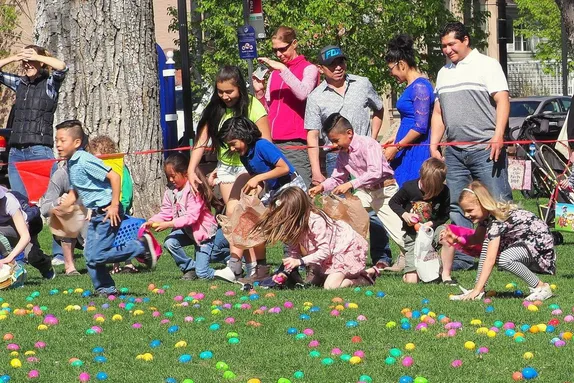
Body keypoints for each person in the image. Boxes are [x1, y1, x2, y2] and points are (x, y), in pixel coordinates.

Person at [430, 22, 513, 271]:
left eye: (451, 44)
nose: (447, 50)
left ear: (465, 40)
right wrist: (435, 143)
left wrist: (498, 135)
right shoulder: (444, 72)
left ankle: (509, 254)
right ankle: (465, 257)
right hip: (454, 151)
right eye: (443, 46)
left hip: (486, 148)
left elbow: (502, 100)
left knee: (498, 201)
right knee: (458, 204)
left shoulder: (487, 65)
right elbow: (438, 111)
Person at [304, 45, 393, 270]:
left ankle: (382, 256)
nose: (338, 67)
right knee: (344, 213)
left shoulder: (362, 83)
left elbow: (379, 109)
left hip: (365, 157)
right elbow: (312, 134)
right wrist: (316, 171)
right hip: (338, 158)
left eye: (341, 62)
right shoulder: (315, 97)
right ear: (321, 68)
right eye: (332, 64)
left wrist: (371, 138)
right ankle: (348, 255)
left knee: (374, 209)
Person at [54, 120, 157, 297]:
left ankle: (141, 247)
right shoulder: (71, 163)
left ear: (77, 142)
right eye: (56, 140)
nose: (58, 144)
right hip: (97, 213)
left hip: (108, 211)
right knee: (89, 255)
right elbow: (75, 191)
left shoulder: (85, 160)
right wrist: (63, 206)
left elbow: (115, 177)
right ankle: (105, 289)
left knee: (97, 255)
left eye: (62, 140)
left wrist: (115, 205)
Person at [214, 116, 306, 284]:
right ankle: (260, 270)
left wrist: (258, 179)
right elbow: (260, 177)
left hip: (290, 188)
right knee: (252, 222)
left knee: (291, 231)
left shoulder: (262, 146)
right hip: (273, 192)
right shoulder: (244, 156)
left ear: (244, 136)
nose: (232, 148)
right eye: (229, 145)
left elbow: (284, 168)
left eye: (233, 143)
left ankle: (304, 267)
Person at [309, 113, 406, 260]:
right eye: (332, 141)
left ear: (349, 133)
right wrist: (321, 187)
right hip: (364, 192)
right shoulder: (343, 153)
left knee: (399, 235)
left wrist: (351, 183)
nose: (334, 145)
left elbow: (375, 172)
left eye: (336, 140)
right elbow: (337, 177)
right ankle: (344, 257)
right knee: (343, 221)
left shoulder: (368, 144)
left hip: (384, 191)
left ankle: (423, 259)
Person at [254, 186, 379, 289]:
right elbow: (293, 251)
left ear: (294, 211)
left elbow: (325, 251)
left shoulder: (315, 220)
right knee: (314, 283)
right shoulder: (293, 225)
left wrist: (300, 262)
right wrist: (285, 272)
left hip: (345, 249)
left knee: (331, 286)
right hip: (329, 255)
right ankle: (356, 273)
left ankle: (364, 278)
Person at [449, 181, 555, 301]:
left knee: (504, 259)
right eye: (464, 211)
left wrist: (477, 289)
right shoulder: (487, 218)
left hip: (538, 242)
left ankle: (541, 287)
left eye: (469, 210)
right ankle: (479, 290)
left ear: (483, 204)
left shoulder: (496, 222)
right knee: (486, 244)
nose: (466, 215)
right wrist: (457, 239)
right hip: (525, 240)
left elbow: (490, 259)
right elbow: (477, 238)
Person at [187, 66, 271, 216]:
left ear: (239, 87)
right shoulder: (214, 108)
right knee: (233, 214)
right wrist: (191, 169)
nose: (225, 96)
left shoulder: (254, 107)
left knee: (246, 211)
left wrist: (262, 174)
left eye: (229, 92)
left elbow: (266, 143)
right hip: (226, 168)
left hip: (250, 167)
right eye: (220, 92)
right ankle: (235, 239)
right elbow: (201, 140)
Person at [144, 153, 230, 280]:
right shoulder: (170, 192)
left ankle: (232, 261)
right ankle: (189, 268)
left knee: (203, 274)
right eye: (168, 177)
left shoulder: (194, 189)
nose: (171, 180)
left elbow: (192, 217)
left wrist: (168, 224)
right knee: (170, 242)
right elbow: (165, 212)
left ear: (185, 173)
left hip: (203, 235)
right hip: (187, 231)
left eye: (173, 176)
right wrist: (151, 222)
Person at [253, 26, 319, 187]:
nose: (278, 55)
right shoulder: (275, 73)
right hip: (272, 142)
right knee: (275, 195)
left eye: (282, 49)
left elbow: (303, 93)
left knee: (298, 194)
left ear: (294, 43)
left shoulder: (308, 69)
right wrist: (260, 94)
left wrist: (283, 69)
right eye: (275, 50)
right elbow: (269, 111)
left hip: (296, 142)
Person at [0, 45, 67, 199]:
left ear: (41, 62)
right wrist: (14, 57)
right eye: (25, 61)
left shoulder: (50, 84)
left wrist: (36, 56)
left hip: (39, 151)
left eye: (30, 60)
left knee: (51, 200)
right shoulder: (20, 83)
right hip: (16, 153)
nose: (27, 64)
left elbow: (62, 67)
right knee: (20, 202)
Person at [389, 158, 455, 284]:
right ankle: (415, 271)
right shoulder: (409, 188)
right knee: (412, 281)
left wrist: (432, 223)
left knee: (449, 235)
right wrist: (405, 214)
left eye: (435, 189)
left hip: (433, 232)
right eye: (428, 188)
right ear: (421, 177)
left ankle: (446, 275)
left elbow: (445, 214)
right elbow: (393, 202)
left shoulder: (445, 191)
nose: (430, 192)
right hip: (413, 236)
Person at [384, 34, 434, 187]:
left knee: (411, 191)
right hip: (405, 143)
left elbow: (420, 126)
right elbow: (409, 118)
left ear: (402, 64)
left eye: (391, 69)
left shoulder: (420, 87)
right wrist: (395, 137)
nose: (391, 73)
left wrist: (397, 146)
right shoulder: (411, 86)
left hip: (416, 148)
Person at [88, 135, 135, 273]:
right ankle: (116, 265)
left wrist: (123, 205)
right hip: (104, 209)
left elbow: (126, 189)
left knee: (124, 236)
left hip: (120, 207)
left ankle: (129, 263)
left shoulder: (119, 168)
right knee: (111, 237)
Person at [0, 186, 54, 279]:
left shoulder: (9, 201)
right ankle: (14, 273)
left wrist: (9, 258)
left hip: (25, 231)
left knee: (32, 256)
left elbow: (25, 237)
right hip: (4, 232)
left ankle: (46, 266)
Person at [39, 161, 82, 276]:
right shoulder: (61, 174)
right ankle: (69, 266)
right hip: (73, 227)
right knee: (67, 214)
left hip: (94, 223)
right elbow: (44, 209)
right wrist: (58, 202)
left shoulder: (94, 170)